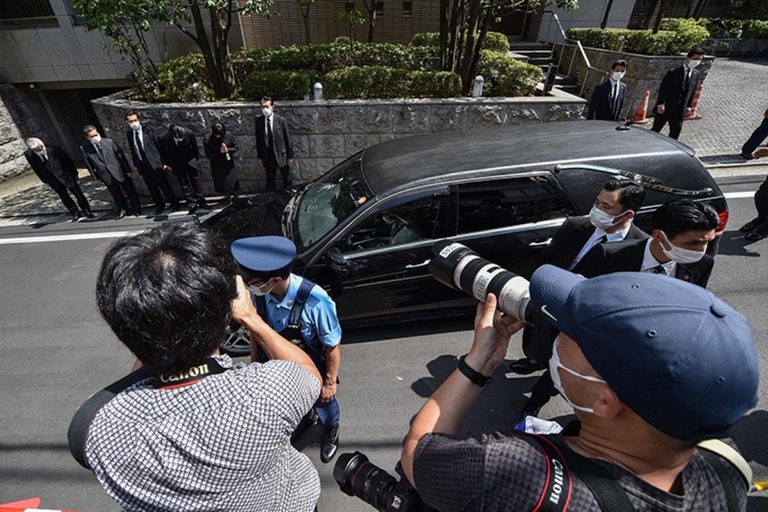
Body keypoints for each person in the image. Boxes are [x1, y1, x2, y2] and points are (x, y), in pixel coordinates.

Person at [401, 267, 758, 511]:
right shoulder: (725, 466)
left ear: (604, 400)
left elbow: (418, 452)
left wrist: (478, 362)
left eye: (569, 335)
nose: (555, 337)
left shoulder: (508, 470)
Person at [86, 223, 322, 512]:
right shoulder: (267, 393)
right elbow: (308, 374)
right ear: (227, 312)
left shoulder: (101, 431)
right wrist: (251, 318)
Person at [507, 179, 647, 377]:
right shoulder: (576, 226)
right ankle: (534, 359)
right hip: (551, 298)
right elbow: (549, 259)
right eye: (597, 202)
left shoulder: (638, 246)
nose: (597, 209)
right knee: (537, 336)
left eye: (606, 206)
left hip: (586, 313)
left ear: (628, 214)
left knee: (566, 358)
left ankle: (546, 385)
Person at [231, 236, 342, 463]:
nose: (249, 286)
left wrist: (330, 383)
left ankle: (331, 431)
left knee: (325, 405)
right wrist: (255, 362)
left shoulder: (316, 301)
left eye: (252, 282)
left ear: (274, 280)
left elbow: (332, 344)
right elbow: (255, 328)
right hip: (274, 367)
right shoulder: (258, 294)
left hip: (311, 368)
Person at [577, 199, 718, 286]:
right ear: (659, 236)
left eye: (707, 242)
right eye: (692, 243)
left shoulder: (702, 264)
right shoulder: (609, 255)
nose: (701, 249)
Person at [23, 137, 94, 222]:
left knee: (78, 193)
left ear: (41, 144)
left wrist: (75, 173)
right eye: (36, 150)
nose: (39, 150)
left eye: (40, 148)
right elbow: (36, 168)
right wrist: (44, 180)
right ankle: (75, 213)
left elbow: (67, 161)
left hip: (66, 175)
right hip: (52, 179)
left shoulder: (54, 148)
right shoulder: (29, 154)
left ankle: (87, 211)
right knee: (64, 197)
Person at [124, 111, 181, 216]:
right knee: (152, 187)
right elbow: (134, 150)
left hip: (155, 163)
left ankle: (174, 204)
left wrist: (164, 162)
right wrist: (136, 164)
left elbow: (160, 147)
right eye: (131, 121)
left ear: (139, 119)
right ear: (127, 122)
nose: (134, 123)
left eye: (135, 120)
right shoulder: (129, 134)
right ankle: (159, 205)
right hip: (143, 165)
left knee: (164, 185)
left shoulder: (149, 131)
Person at [80, 125, 142, 219]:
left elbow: (121, 157)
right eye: (92, 136)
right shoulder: (84, 148)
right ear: (87, 137)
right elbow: (88, 164)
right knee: (116, 194)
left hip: (119, 171)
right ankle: (123, 209)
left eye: (96, 134)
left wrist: (128, 170)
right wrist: (95, 177)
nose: (95, 137)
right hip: (105, 174)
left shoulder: (109, 142)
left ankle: (136, 208)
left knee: (130, 190)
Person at [651, 47, 705, 140]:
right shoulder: (674, 72)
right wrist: (661, 104)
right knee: (656, 129)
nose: (697, 61)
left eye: (699, 59)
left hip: (680, 109)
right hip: (667, 107)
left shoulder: (696, 74)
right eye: (695, 59)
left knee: (676, 131)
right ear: (688, 58)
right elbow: (664, 89)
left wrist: (689, 105)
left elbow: (692, 91)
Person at [161, 124, 209, 214]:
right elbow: (163, 152)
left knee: (195, 181)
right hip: (176, 162)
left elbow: (195, 147)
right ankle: (191, 203)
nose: (180, 140)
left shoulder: (189, 133)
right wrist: (166, 164)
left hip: (190, 159)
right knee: (183, 183)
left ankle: (202, 202)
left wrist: (197, 159)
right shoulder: (164, 138)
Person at [255, 96, 294, 191]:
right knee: (270, 179)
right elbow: (258, 139)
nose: (265, 109)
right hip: (268, 155)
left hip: (281, 154)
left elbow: (287, 138)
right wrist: (260, 156)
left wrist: (290, 156)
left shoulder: (281, 121)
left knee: (286, 177)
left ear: (273, 106)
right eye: (263, 107)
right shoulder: (259, 121)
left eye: (267, 106)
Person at [204, 122, 240, 203]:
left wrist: (227, 149)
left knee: (232, 180)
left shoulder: (228, 135)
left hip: (228, 163)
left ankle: (235, 195)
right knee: (222, 182)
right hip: (217, 163)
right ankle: (227, 196)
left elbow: (236, 147)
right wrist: (220, 152)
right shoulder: (208, 138)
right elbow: (208, 154)